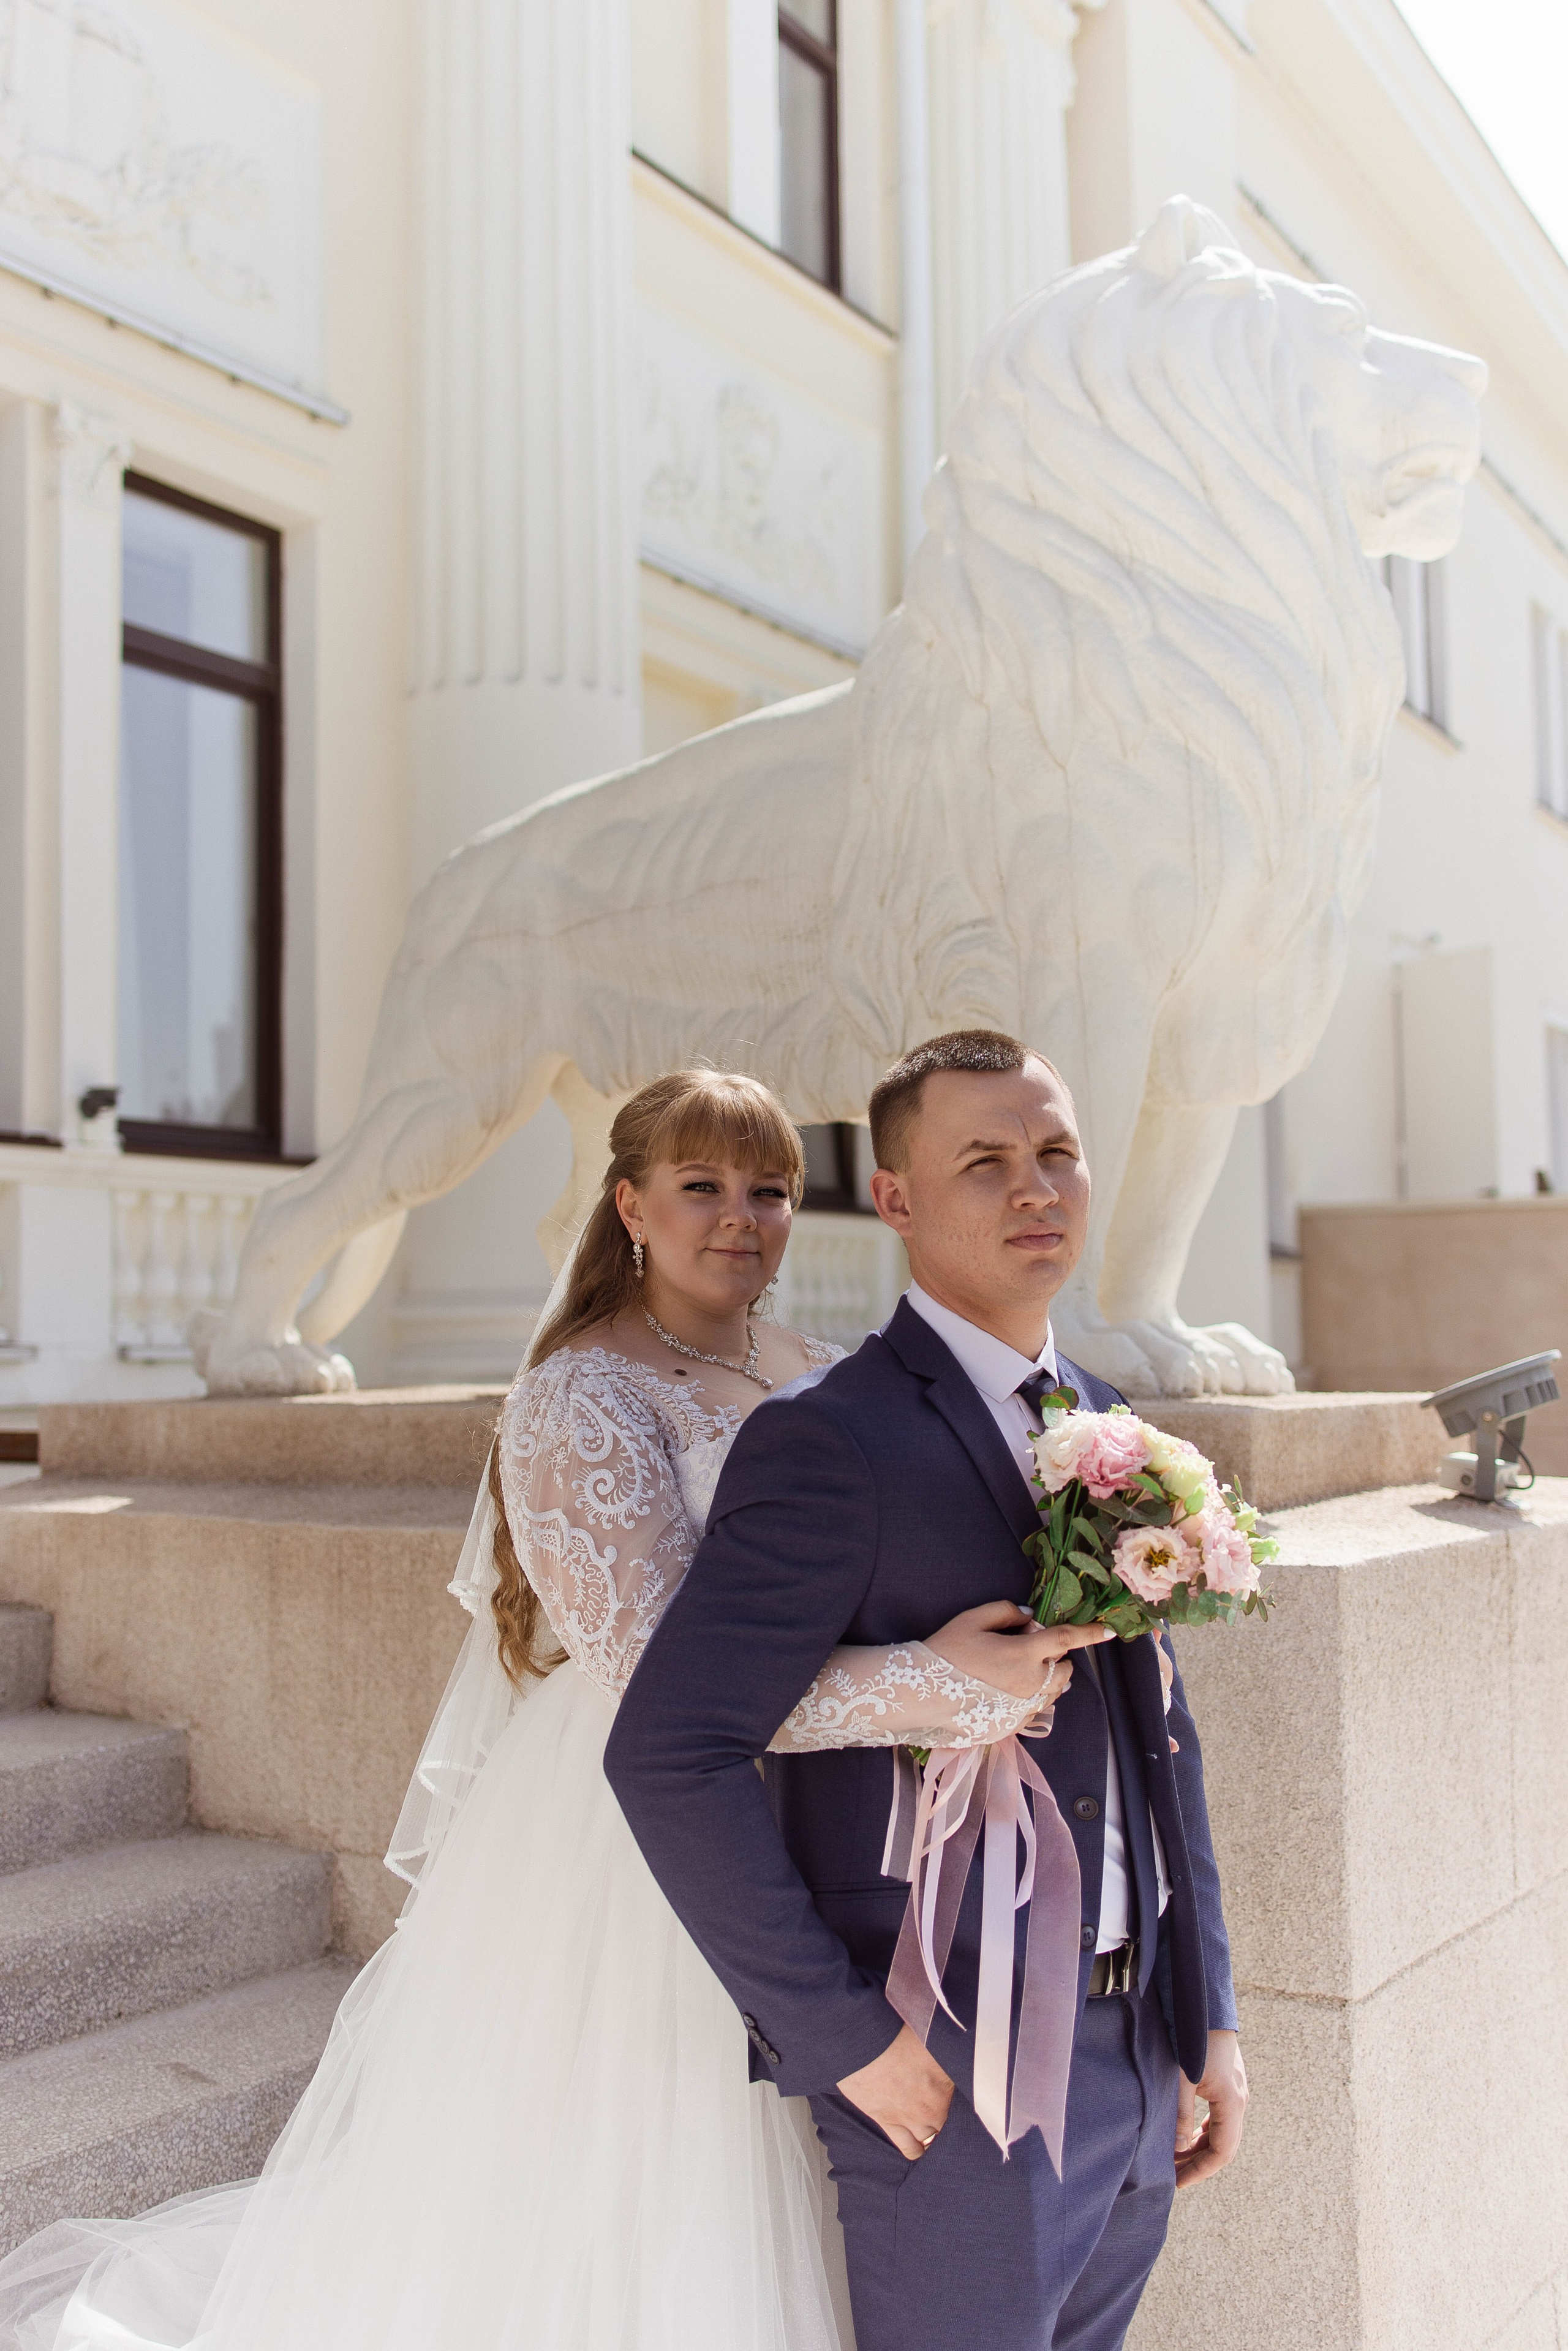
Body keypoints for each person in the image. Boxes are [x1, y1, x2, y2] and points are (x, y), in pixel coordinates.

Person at [0, 1066, 1107, 2351]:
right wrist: (939, 1684)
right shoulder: (578, 1397)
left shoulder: (823, 1367)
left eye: (769, 1190)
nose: (739, 1216)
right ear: (631, 1204)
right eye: (701, 1185)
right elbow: (666, 1685)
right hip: (636, 1833)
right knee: (655, 2155)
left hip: (823, 1814)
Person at [606, 1031, 1249, 2351]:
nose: (1037, 1187)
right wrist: (840, 2037)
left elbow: (1161, 1737)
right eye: (986, 1161)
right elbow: (669, 1751)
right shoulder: (829, 1437)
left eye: (1057, 1151)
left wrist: (1209, 2016)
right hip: (953, 2077)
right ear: (893, 1197)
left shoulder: (1111, 1414)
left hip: (1139, 2063)